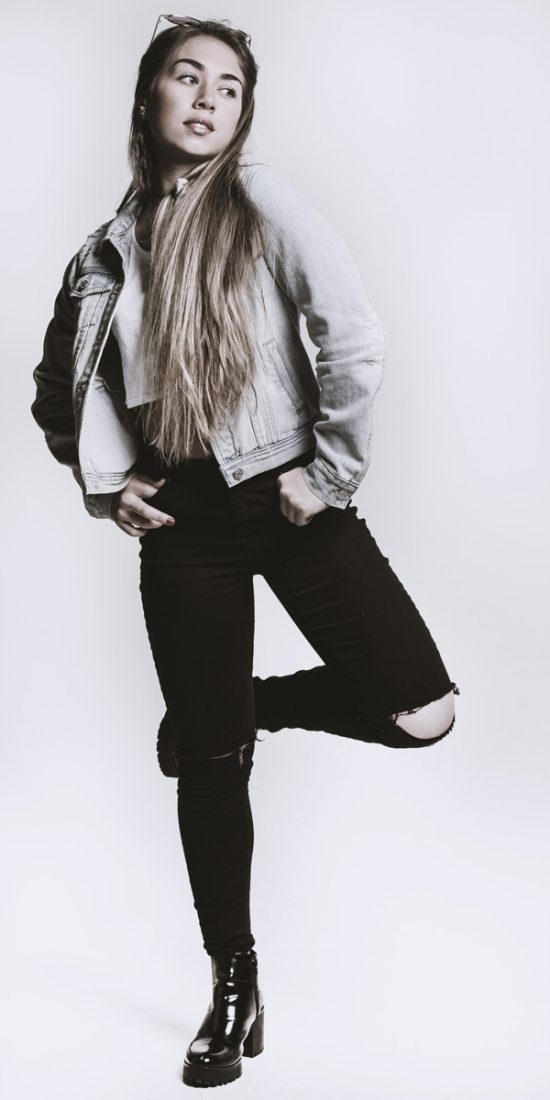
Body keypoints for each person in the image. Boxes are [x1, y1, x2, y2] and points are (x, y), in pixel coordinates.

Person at [31, 14, 460, 1089]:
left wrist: (331, 474)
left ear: (244, 111)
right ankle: (233, 981)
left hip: (287, 498)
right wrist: (102, 482)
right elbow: (54, 388)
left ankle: (241, 704)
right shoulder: (103, 251)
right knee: (213, 769)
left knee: (422, 710)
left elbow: (351, 332)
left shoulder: (262, 200)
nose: (208, 97)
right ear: (149, 97)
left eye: (228, 85)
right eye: (187, 77)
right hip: (184, 523)